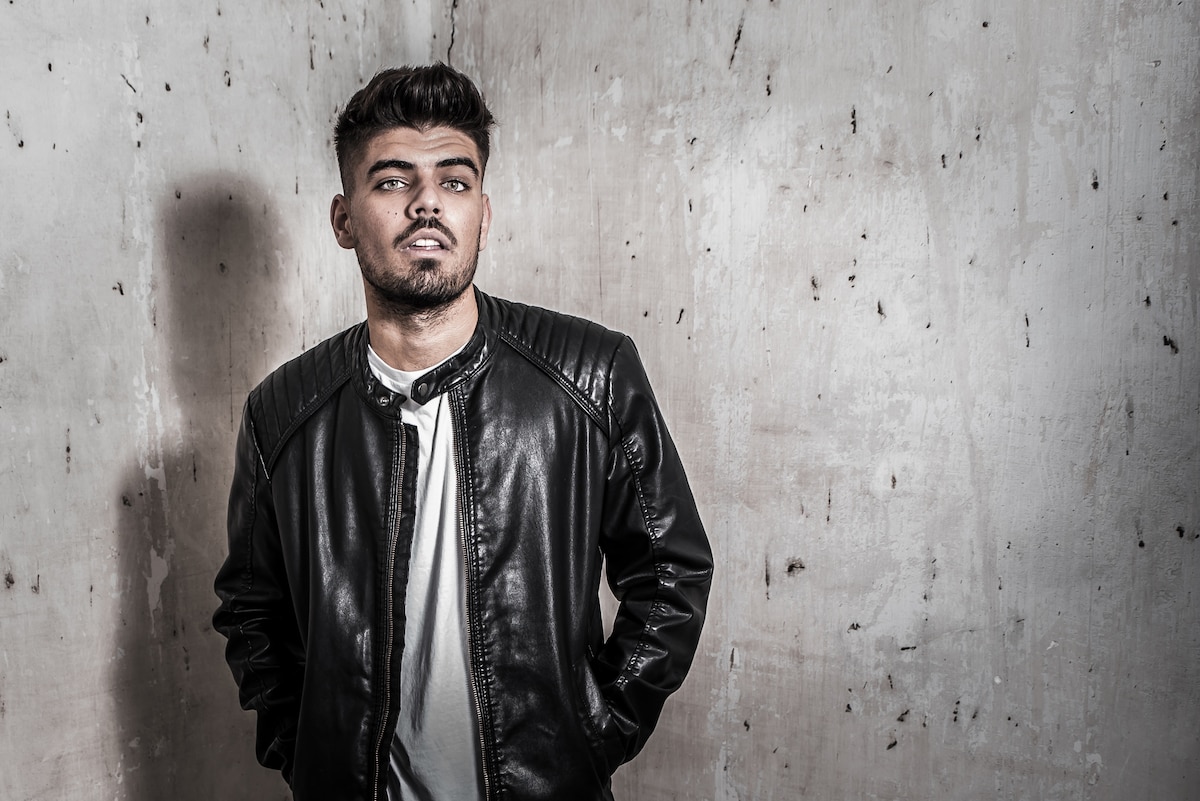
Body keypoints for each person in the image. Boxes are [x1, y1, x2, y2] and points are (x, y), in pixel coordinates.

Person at [212, 63, 712, 801]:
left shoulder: (591, 374)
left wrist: (594, 732)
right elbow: (252, 610)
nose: (426, 203)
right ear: (344, 220)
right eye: (392, 181)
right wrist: (307, 754)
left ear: (483, 211)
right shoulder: (282, 414)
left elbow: (671, 569)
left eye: (454, 180)